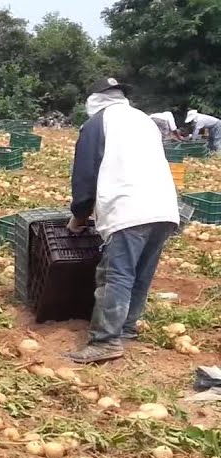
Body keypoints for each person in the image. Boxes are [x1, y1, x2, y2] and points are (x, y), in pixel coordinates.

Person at [64, 78, 180, 364]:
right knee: (141, 273)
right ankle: (126, 328)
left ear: (94, 99)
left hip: (128, 209)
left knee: (116, 275)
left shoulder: (97, 124)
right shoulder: (144, 120)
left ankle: (105, 341)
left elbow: (85, 175)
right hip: (164, 207)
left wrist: (78, 216)